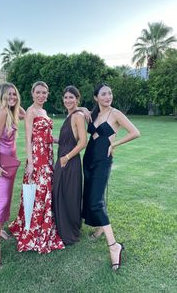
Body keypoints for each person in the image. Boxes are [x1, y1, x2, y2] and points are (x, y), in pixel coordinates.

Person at [82, 83, 140, 271]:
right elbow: (83, 122)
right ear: (96, 97)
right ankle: (99, 228)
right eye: (103, 94)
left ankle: (114, 246)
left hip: (103, 160)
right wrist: (83, 109)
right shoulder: (94, 113)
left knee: (96, 201)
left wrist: (115, 144)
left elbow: (135, 132)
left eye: (110, 93)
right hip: (88, 158)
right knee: (91, 195)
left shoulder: (115, 114)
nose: (108, 97)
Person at [9, 81, 64, 254]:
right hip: (37, 158)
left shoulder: (45, 111)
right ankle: (33, 228)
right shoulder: (31, 112)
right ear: (32, 93)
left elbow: (47, 135)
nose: (41, 95)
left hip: (47, 156)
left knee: (46, 190)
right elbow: (28, 139)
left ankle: (44, 224)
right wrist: (31, 163)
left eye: (44, 93)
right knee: (38, 192)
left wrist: (61, 141)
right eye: (38, 92)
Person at [0, 83, 25, 268]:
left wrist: (15, 102)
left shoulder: (11, 111)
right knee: (0, 201)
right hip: (1, 165)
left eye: (15, 94)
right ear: (1, 95)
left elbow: (26, 115)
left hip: (9, 164)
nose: (13, 97)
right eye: (9, 94)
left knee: (6, 200)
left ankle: (0, 228)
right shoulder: (1, 112)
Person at [53, 86, 87, 245]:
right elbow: (71, 139)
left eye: (71, 98)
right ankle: (61, 225)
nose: (68, 100)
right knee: (61, 192)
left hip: (69, 161)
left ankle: (70, 229)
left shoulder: (78, 116)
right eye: (65, 97)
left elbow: (83, 142)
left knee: (68, 194)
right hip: (63, 159)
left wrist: (66, 157)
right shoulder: (70, 115)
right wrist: (57, 140)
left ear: (77, 100)